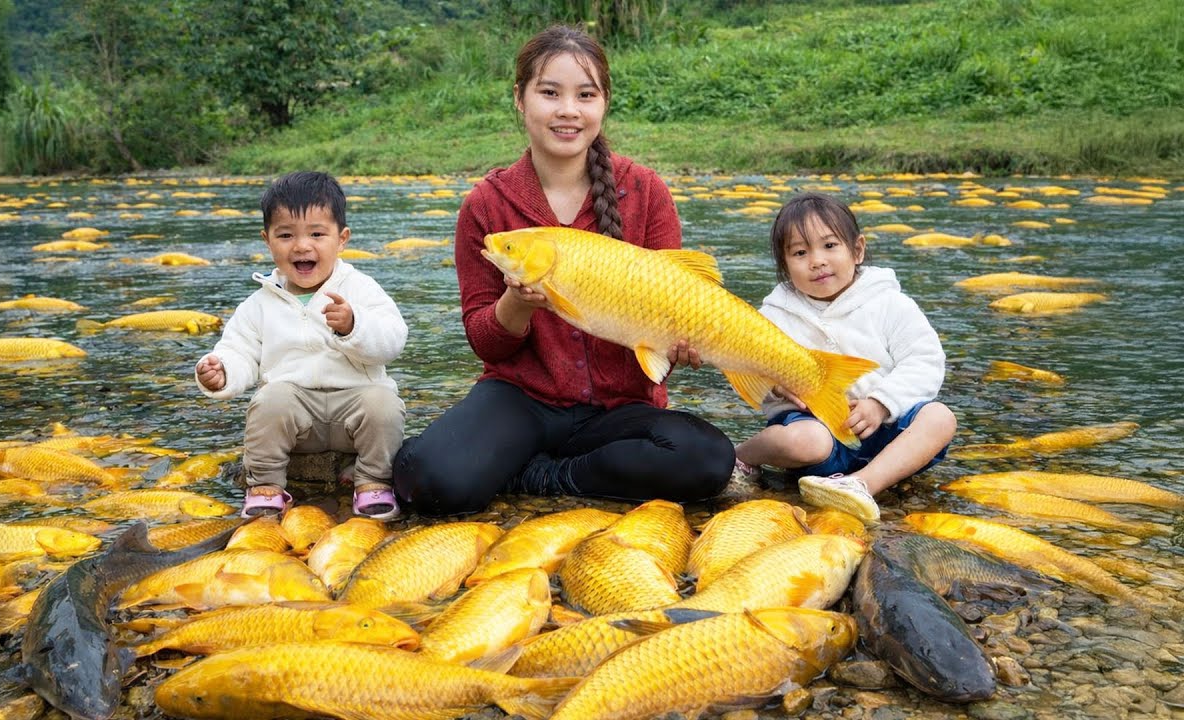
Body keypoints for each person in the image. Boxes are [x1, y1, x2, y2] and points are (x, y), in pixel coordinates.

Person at [392, 25, 735, 516]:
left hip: (623, 408)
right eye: (549, 93)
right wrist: (516, 303)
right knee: (427, 478)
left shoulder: (645, 191)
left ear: (604, 103)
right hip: (522, 400)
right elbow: (485, 342)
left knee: (707, 459)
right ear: (520, 98)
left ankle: (546, 475)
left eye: (585, 95)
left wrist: (681, 344)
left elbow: (670, 318)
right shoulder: (487, 205)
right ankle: (558, 463)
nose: (568, 110)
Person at [195, 171, 407, 520]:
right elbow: (240, 350)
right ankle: (265, 485)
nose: (302, 246)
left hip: (355, 403)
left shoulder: (361, 288)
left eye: (317, 234)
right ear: (267, 240)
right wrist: (222, 370)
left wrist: (355, 326)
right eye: (286, 235)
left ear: (342, 239)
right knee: (269, 400)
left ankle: (372, 482)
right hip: (297, 414)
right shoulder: (260, 303)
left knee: (384, 404)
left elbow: (393, 339)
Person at [734, 192, 957, 524]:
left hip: (885, 433)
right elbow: (746, 366)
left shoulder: (889, 303)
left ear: (857, 250)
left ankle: (861, 484)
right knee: (806, 441)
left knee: (940, 417)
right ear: (784, 266)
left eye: (829, 246)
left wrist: (881, 403)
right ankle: (741, 456)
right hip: (815, 434)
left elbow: (924, 361)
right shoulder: (774, 315)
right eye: (799, 252)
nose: (817, 261)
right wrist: (775, 385)